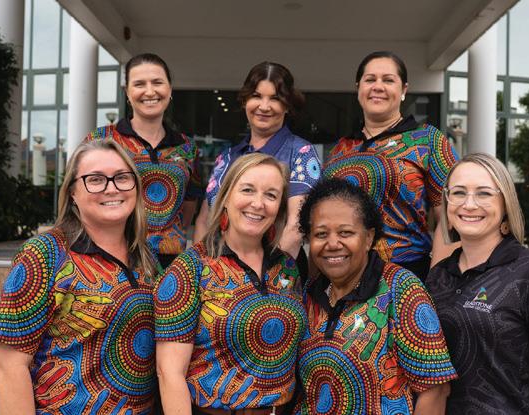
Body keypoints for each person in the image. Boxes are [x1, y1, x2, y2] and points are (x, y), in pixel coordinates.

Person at [0, 139, 157, 414]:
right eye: (95, 179)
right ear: (72, 193)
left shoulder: (146, 256)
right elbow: (9, 366)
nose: (111, 188)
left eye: (122, 177)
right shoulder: (45, 254)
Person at [426, 153, 529, 414]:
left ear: (505, 204)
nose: (469, 204)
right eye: (458, 193)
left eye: (484, 193)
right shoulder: (438, 277)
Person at [155, 153, 307, 415]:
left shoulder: (287, 267)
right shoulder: (191, 268)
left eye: (271, 195)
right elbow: (169, 373)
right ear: (225, 197)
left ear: (279, 209)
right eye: (247, 190)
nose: (258, 203)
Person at [295, 178, 457, 415]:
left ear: (369, 238)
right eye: (320, 234)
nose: (332, 244)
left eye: (346, 232)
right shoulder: (308, 294)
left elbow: (435, 390)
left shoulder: (400, 288)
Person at [324, 51, 459, 280]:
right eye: (370, 79)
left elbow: (450, 219)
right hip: (340, 275)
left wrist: (437, 282)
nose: (378, 87)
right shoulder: (340, 149)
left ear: (404, 90)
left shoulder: (428, 140)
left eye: (388, 80)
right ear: (359, 88)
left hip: (406, 275)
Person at [193, 61, 321, 261]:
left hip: (277, 271)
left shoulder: (301, 153)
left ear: (287, 106)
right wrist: (201, 268)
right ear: (245, 100)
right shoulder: (226, 158)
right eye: (256, 96)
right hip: (217, 272)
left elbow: (296, 227)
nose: (264, 106)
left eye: (275, 98)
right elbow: (204, 221)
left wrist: (262, 274)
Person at [87, 53, 202, 269]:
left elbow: (189, 204)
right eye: (139, 84)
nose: (150, 91)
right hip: (113, 257)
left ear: (170, 89)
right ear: (127, 93)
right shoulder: (102, 140)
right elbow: (84, 196)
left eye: (157, 82)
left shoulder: (187, 147)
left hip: (171, 261)